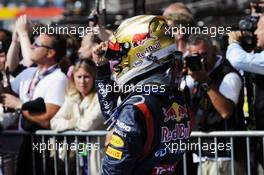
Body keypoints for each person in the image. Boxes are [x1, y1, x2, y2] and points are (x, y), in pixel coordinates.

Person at [93, 15, 192, 175]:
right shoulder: (179, 98)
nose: (116, 62)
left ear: (141, 52)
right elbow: (114, 121)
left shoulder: (136, 107)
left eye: (120, 54)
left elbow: (114, 170)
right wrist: (102, 70)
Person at [1, 33, 68, 175]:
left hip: (45, 149)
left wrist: (20, 106)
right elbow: (7, 97)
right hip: (25, 144)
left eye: (37, 45)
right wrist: (2, 74)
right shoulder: (30, 72)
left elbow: (47, 120)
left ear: (50, 53)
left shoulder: (58, 79)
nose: (31, 46)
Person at [185, 34, 246, 175]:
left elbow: (225, 111)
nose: (201, 60)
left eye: (204, 55)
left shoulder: (228, 75)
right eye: (195, 56)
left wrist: (205, 82)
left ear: (214, 50)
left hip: (225, 157)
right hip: (202, 155)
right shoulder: (193, 75)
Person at [50, 59, 105, 175]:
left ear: (94, 77)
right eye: (79, 77)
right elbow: (54, 123)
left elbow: (87, 125)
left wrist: (69, 124)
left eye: (87, 77)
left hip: (97, 155)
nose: (82, 81)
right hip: (77, 156)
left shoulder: (100, 98)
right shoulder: (72, 98)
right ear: (73, 78)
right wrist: (75, 123)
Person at [226, 13, 264, 175]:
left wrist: (234, 42)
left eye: (260, 28)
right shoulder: (256, 54)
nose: (255, 33)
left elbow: (238, 60)